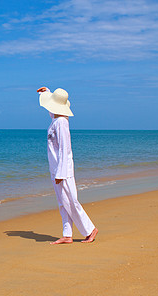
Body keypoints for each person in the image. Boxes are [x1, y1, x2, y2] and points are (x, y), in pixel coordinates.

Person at [37, 86, 98, 244]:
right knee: (62, 202)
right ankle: (67, 234)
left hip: (62, 170)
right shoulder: (56, 119)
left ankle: (90, 229)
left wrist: (60, 173)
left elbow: (65, 149)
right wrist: (47, 92)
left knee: (71, 201)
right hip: (55, 168)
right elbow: (51, 111)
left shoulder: (62, 123)